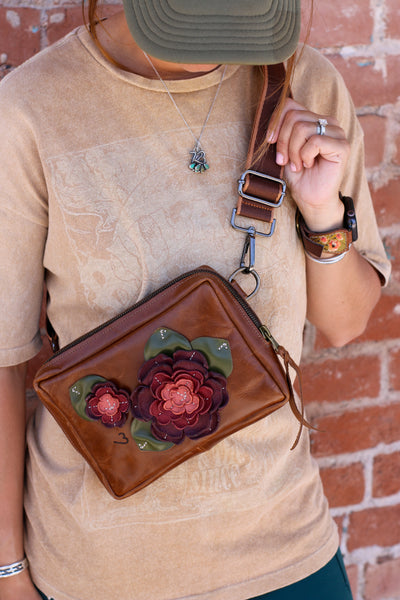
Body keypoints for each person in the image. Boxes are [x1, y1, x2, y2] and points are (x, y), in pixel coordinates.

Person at [0, 1, 391, 599]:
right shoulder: (31, 110)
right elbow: (4, 362)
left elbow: (344, 323)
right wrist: (8, 571)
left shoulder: (304, 85)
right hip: (100, 574)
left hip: (285, 552)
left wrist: (321, 212)